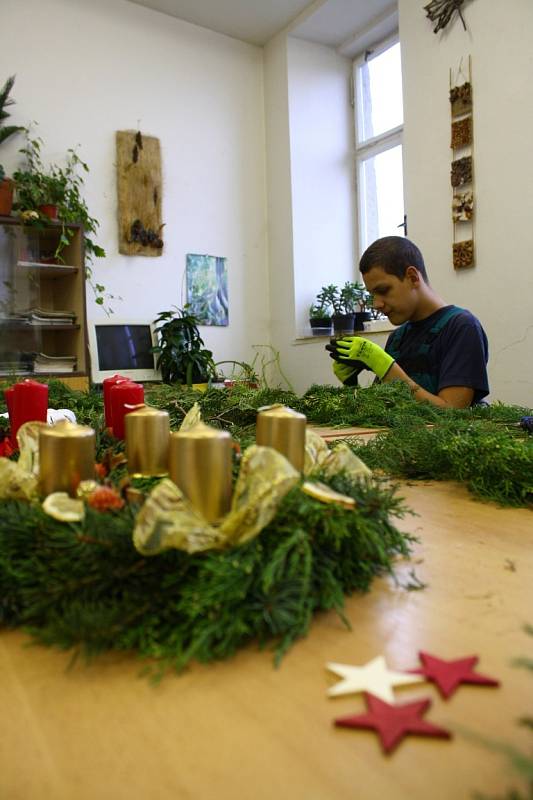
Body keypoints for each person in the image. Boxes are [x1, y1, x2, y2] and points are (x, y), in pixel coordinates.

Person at [326, 236, 489, 408]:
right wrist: (351, 385)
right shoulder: (398, 337)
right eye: (372, 295)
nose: (376, 304)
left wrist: (384, 366)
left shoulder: (462, 327)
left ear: (412, 277)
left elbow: (453, 412)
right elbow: (383, 412)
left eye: (383, 290)